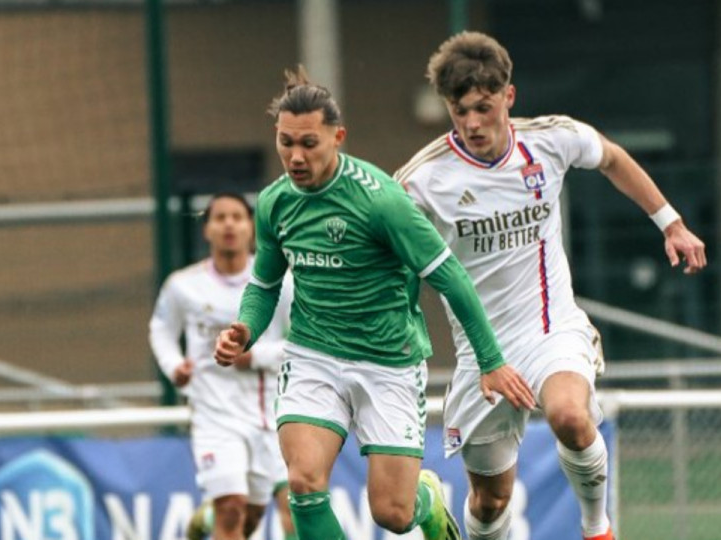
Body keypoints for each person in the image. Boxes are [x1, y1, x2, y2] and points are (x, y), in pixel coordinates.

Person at [395, 31, 708, 540]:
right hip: (481, 352)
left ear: (508, 96)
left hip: (551, 327)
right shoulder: (422, 179)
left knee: (569, 415)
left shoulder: (551, 138)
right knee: (491, 501)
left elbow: (611, 158)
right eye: (459, 111)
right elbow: (385, 246)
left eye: (483, 106)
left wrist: (670, 223)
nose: (472, 123)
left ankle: (598, 529)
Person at [213, 66, 535, 540]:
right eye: (285, 143)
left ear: (338, 136)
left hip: (388, 362)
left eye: (309, 143)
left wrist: (491, 360)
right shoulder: (274, 202)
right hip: (312, 356)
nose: (295, 156)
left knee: (393, 514)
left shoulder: (382, 201)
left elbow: (452, 278)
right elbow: (263, 286)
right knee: (303, 482)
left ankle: (427, 499)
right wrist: (245, 329)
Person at [149, 193, 297, 540]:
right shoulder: (182, 286)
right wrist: (174, 367)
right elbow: (161, 329)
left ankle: (207, 525)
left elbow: (305, 343)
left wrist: (256, 356)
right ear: (207, 230)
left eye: (237, 217)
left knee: (250, 517)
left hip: (268, 413)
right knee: (231, 507)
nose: (229, 224)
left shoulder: (281, 284)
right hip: (213, 411)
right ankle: (218, 516)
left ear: (251, 228)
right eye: (220, 218)